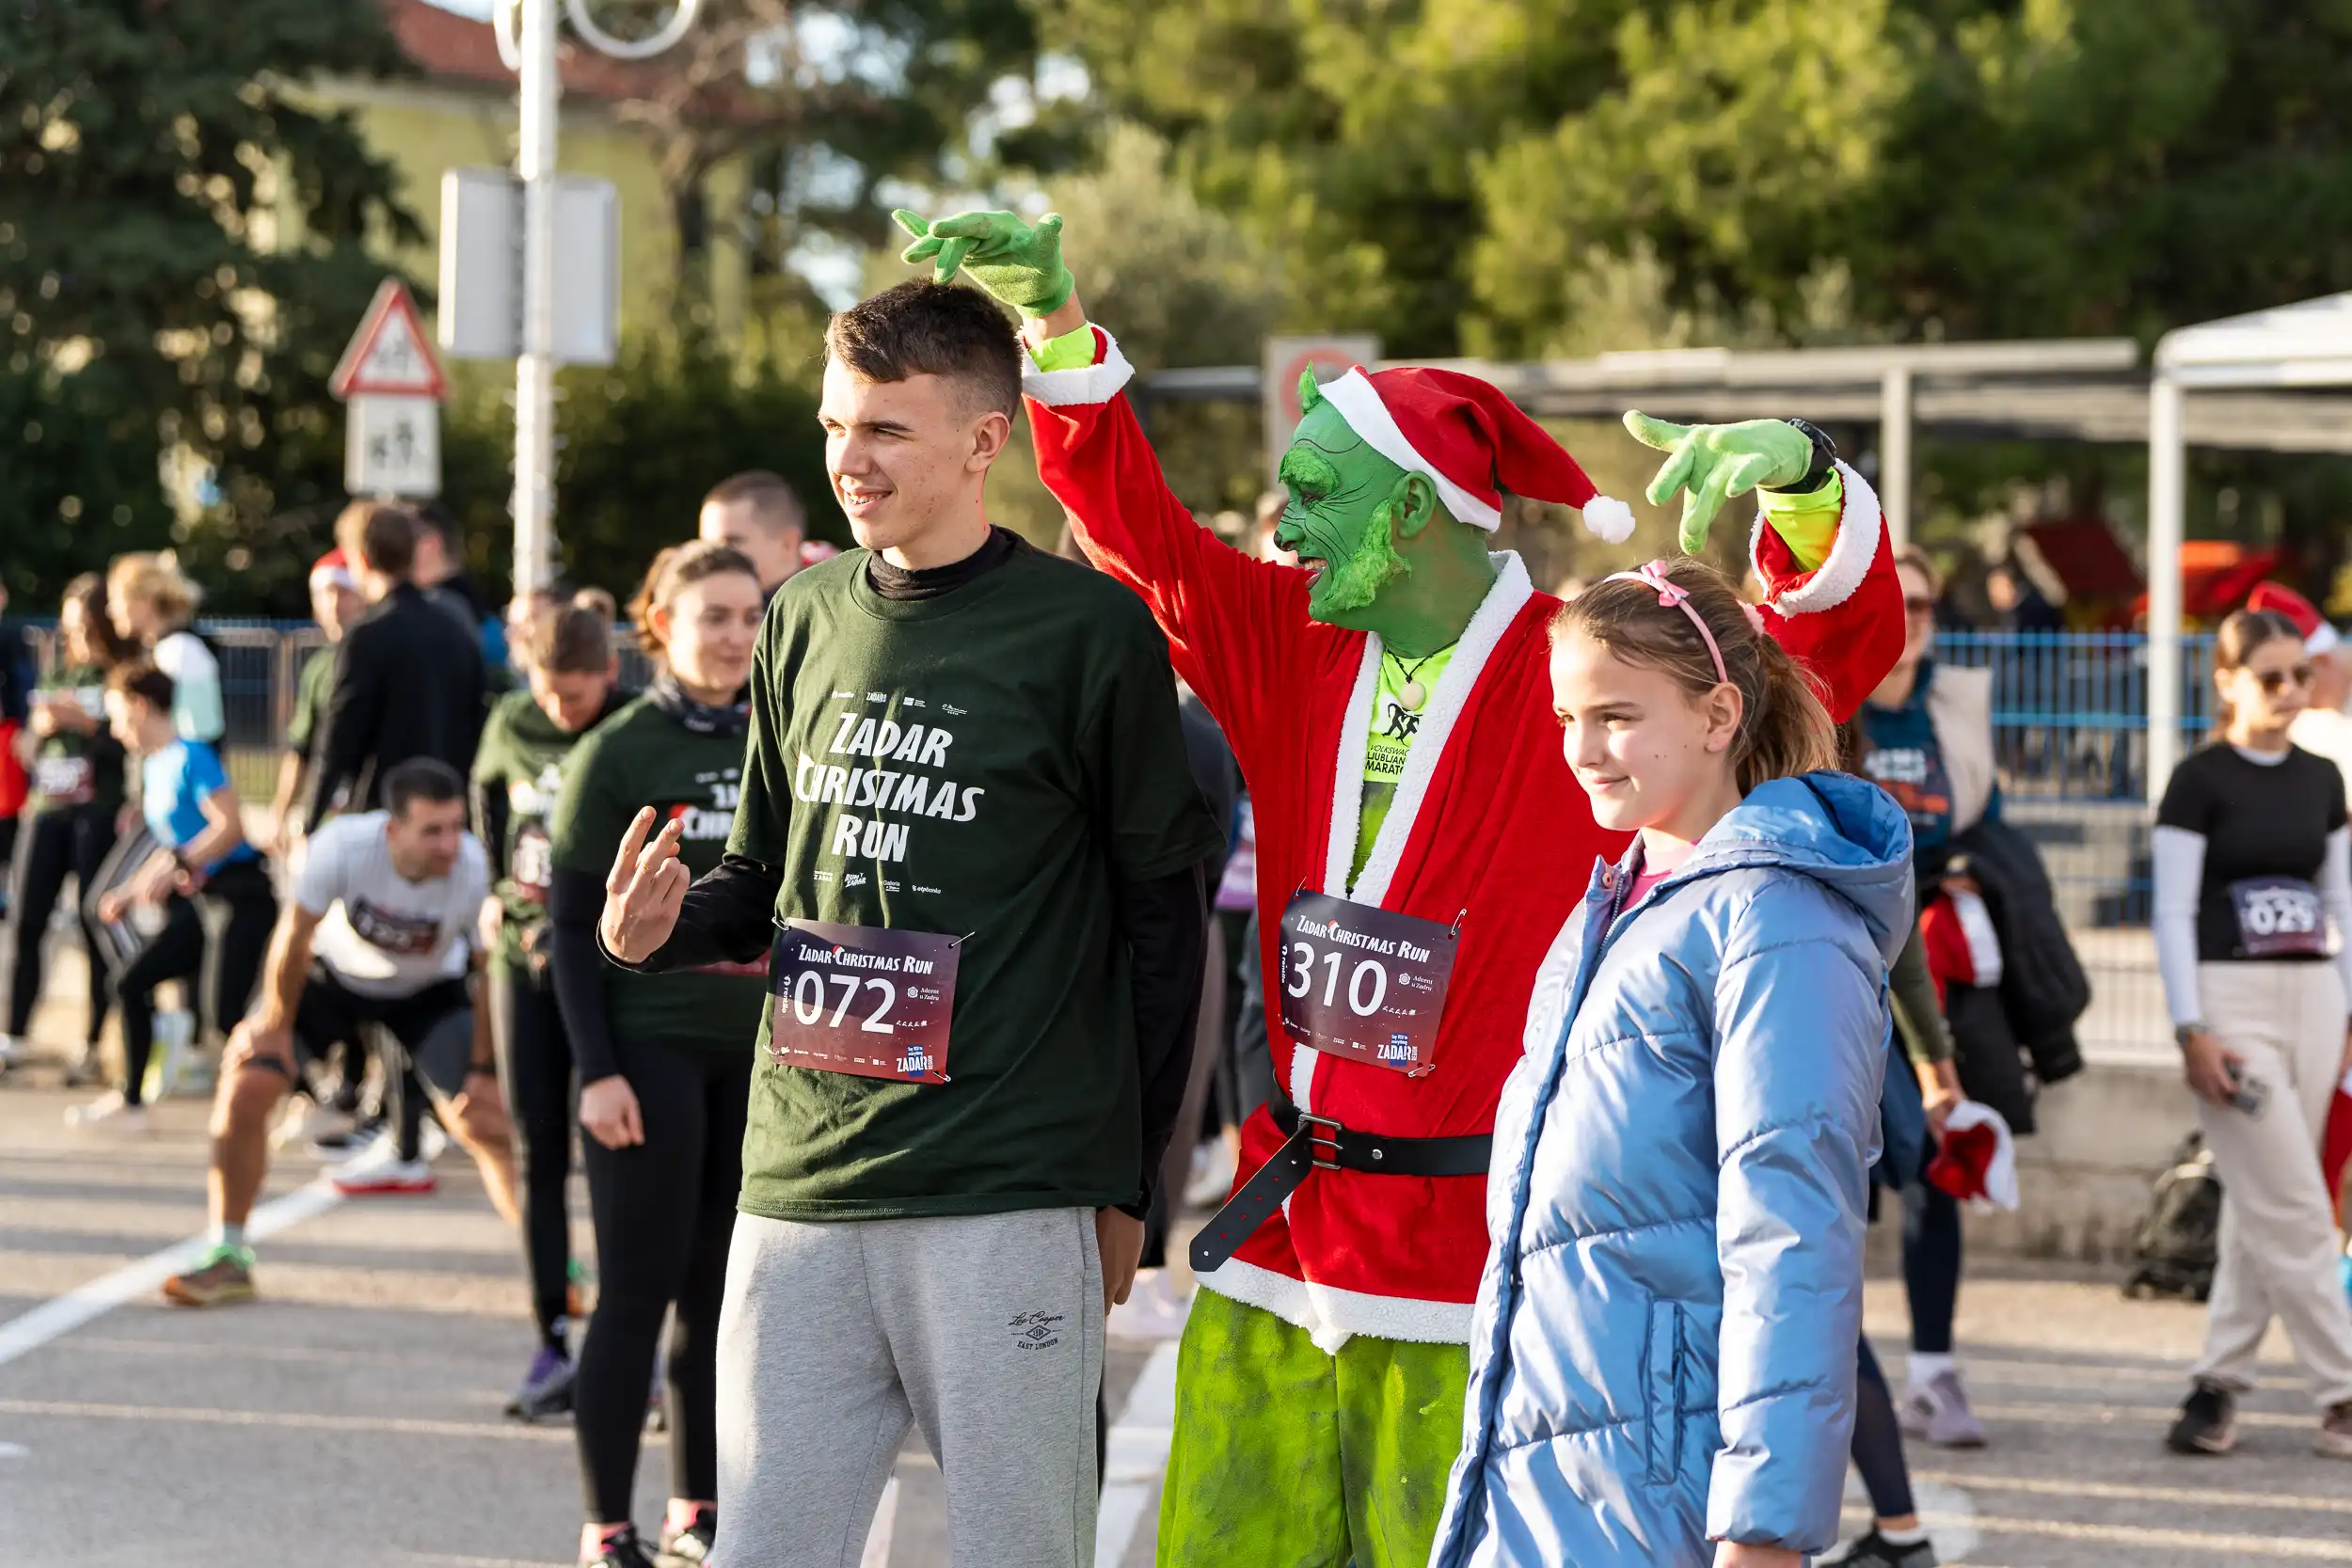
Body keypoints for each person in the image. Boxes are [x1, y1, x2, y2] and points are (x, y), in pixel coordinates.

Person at [898, 205, 1901, 1565]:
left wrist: (1806, 484)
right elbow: (1142, 533)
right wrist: (1060, 332)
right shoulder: (1290, 640)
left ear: (1415, 506)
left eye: (1319, 488)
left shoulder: (1579, 676)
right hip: (1286, 1237)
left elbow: (1806, 655)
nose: (1288, 517)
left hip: (1470, 1269)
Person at [595, 281, 1224, 1568]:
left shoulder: (1089, 631)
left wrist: (1133, 1183)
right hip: (799, 1185)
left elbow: (1164, 925)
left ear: (986, 441)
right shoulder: (807, 618)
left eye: (885, 428)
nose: (847, 458)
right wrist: (657, 930)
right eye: (836, 423)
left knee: (1017, 1549)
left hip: (1006, 1185)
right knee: (764, 1547)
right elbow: (763, 880)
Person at [1427, 557, 1905, 1568]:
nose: (1583, 749)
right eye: (1566, 718)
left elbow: (1794, 1233)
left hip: (1663, 1491)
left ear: (1717, 712)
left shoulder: (1777, 919)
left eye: (1615, 715)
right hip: (1540, 1474)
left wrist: (1765, 1521)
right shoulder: (1617, 902)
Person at [542, 544, 765, 1567]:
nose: (733, 634)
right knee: (637, 1287)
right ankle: (606, 1526)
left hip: (761, 1056)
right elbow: (568, 928)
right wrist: (596, 1070)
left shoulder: (786, 732)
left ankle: (695, 1508)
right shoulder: (617, 747)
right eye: (710, 615)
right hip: (649, 1052)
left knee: (719, 1294)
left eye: (748, 614)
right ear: (659, 624)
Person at [159, 758, 517, 1306]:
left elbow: (489, 972)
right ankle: (228, 1255)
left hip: (426, 994)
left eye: (454, 828)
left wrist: (482, 1070)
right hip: (336, 979)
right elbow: (294, 938)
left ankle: (551, 1266)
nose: (449, 844)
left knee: (486, 1120)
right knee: (247, 1084)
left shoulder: (471, 867)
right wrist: (274, 1028)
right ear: (392, 830)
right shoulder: (344, 847)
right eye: (432, 832)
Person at [2152, 608, 2352, 1459]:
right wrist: (2190, 1026)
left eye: (2300, 675)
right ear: (2228, 679)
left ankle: (2217, 1386)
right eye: (2270, 677)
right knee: (2299, 1204)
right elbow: (2168, 909)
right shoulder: (2197, 780)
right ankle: (2344, 1389)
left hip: (2313, 997)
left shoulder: (2322, 779)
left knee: (2263, 1202)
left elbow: (2341, 900)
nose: (2289, 692)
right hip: (2229, 1002)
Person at [1858, 544, 1998, 1448]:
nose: (1911, 620)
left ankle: (1935, 1372)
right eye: (1894, 600)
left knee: (1939, 1168)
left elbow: (1991, 819)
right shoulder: (1829, 708)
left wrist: (1981, 874)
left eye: (1924, 604)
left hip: (1938, 963)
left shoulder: (1956, 707)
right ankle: (1845, 1374)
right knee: (1848, 1182)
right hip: (1852, 966)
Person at [475, 594, 627, 1421]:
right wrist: (497, 892)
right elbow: (490, 811)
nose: (559, 708)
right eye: (546, 690)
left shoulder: (631, 727)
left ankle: (621, 1340)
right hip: (524, 955)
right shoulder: (510, 723)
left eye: (575, 692)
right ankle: (549, 1337)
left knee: (613, 1148)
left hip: (608, 964)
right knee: (538, 1150)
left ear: (609, 671)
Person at [71, 662, 277, 1132]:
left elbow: (229, 827)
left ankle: (312, 1093)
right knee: (129, 982)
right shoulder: (155, 765)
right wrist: (127, 890)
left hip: (241, 897)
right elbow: (175, 845)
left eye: (119, 715)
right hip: (204, 904)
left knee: (227, 1014)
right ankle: (133, 1103)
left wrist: (181, 868)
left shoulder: (192, 756)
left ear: (141, 706)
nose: (116, 729)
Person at [2, 575, 131, 1076]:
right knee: (27, 918)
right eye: (69, 627)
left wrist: (86, 724)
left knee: (92, 920)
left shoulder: (120, 676)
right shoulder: (57, 676)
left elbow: (127, 745)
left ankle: (95, 1041)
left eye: (84, 626)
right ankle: (13, 1033)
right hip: (48, 807)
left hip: (97, 811)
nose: (75, 637)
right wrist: (38, 730)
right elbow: (28, 747)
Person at [304, 501, 487, 832]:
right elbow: (475, 727)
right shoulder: (457, 629)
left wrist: (309, 822)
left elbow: (338, 742)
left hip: (386, 820)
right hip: (448, 821)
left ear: (360, 559)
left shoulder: (367, 636)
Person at [263, 549, 365, 857]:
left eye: (343, 592)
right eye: (325, 594)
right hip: (331, 809)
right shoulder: (319, 667)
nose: (334, 604)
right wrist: (280, 811)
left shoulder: (384, 654)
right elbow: (302, 747)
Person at [106, 552, 224, 743]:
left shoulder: (181, 651)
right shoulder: (159, 650)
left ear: (144, 603)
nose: (111, 611)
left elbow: (199, 734)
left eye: (117, 600)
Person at [698, 470, 812, 599]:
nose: (712, 557)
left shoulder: (826, 612)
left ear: (788, 544)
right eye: (707, 547)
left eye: (731, 543)